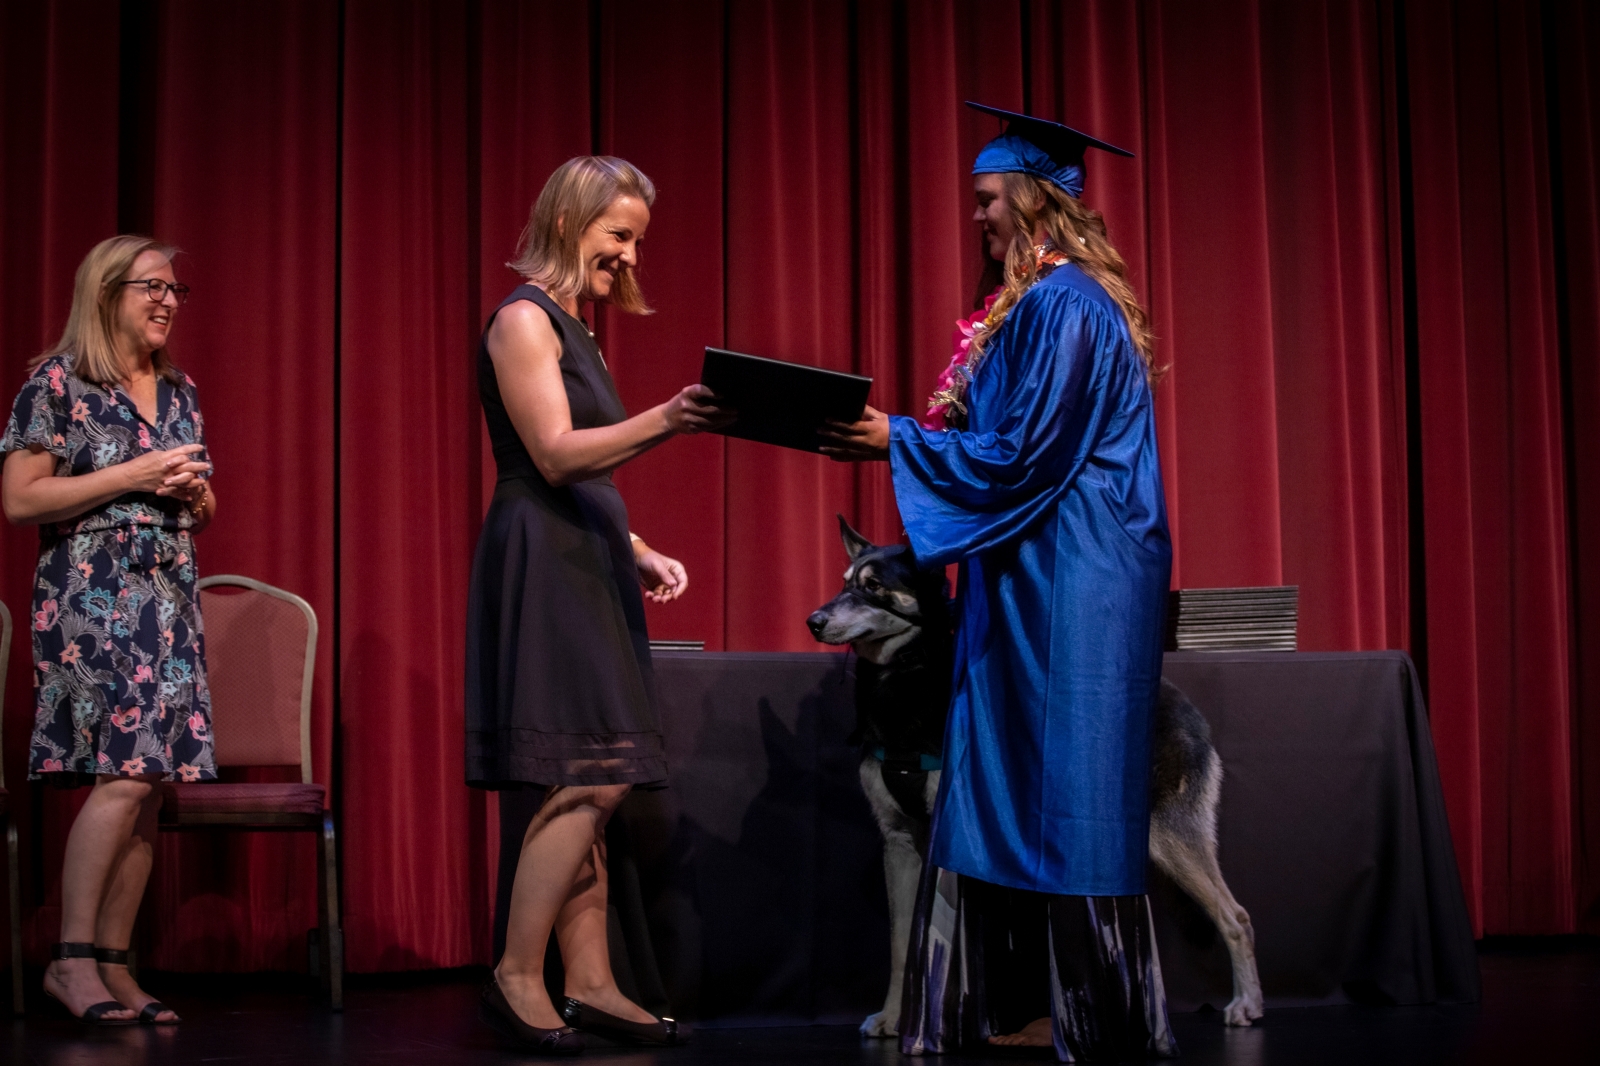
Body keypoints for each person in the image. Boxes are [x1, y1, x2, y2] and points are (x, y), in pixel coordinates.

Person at [822, 104, 1177, 1062]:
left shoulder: (1067, 306)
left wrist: (892, 434)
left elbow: (1021, 453)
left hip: (1078, 578)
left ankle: (1091, 1015)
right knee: (1017, 777)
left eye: (987, 201)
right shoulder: (1038, 304)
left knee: (1073, 779)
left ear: (1033, 200)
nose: (976, 219)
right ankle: (1039, 1005)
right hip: (1038, 569)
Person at [466, 155, 730, 1055]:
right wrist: (668, 417)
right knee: (591, 773)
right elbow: (553, 456)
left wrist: (637, 547)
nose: (626, 256)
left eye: (635, 241)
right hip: (543, 561)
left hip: (586, 555)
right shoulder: (522, 321)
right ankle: (515, 973)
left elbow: (588, 479)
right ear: (570, 221)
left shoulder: (577, 328)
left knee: (594, 766)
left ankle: (590, 980)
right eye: (617, 234)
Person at [2, 235, 216, 1026]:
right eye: (149, 287)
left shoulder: (179, 389)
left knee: (149, 786)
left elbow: (199, 497)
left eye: (173, 290)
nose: (165, 300)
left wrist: (193, 499)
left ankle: (118, 967)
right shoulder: (56, 384)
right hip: (92, 597)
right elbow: (21, 499)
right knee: (121, 775)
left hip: (169, 594)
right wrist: (134, 475)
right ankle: (72, 961)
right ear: (105, 294)